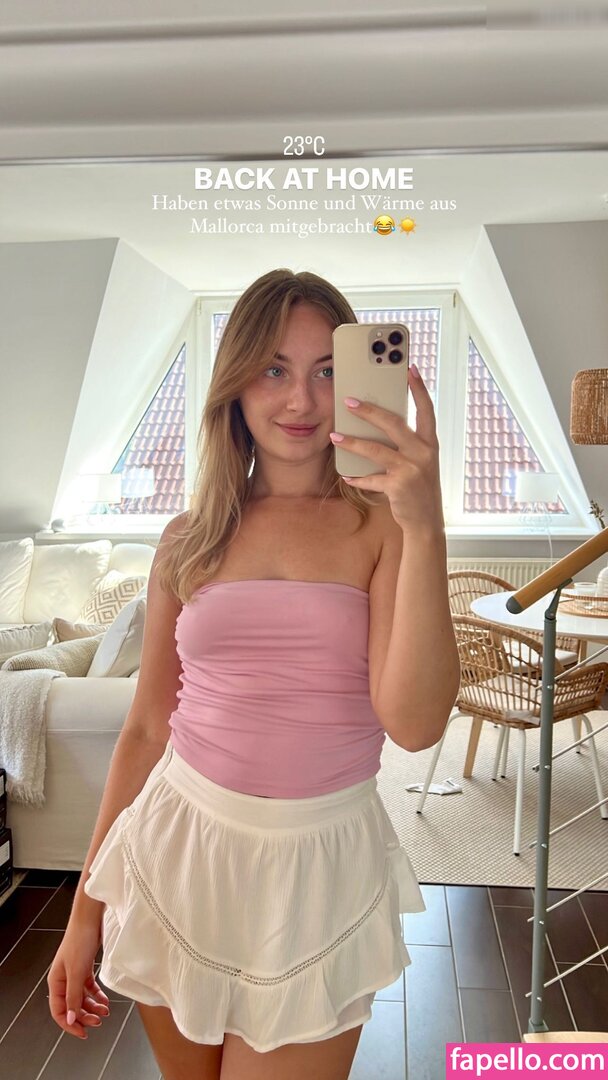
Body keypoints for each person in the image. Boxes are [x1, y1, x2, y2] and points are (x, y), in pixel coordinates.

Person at [47, 268, 460, 1080]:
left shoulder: (385, 526)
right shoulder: (188, 537)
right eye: (274, 368)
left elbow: (414, 725)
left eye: (327, 370)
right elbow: (146, 728)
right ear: (234, 385)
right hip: (179, 849)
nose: (300, 399)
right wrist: (82, 913)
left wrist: (427, 523)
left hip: (319, 867)